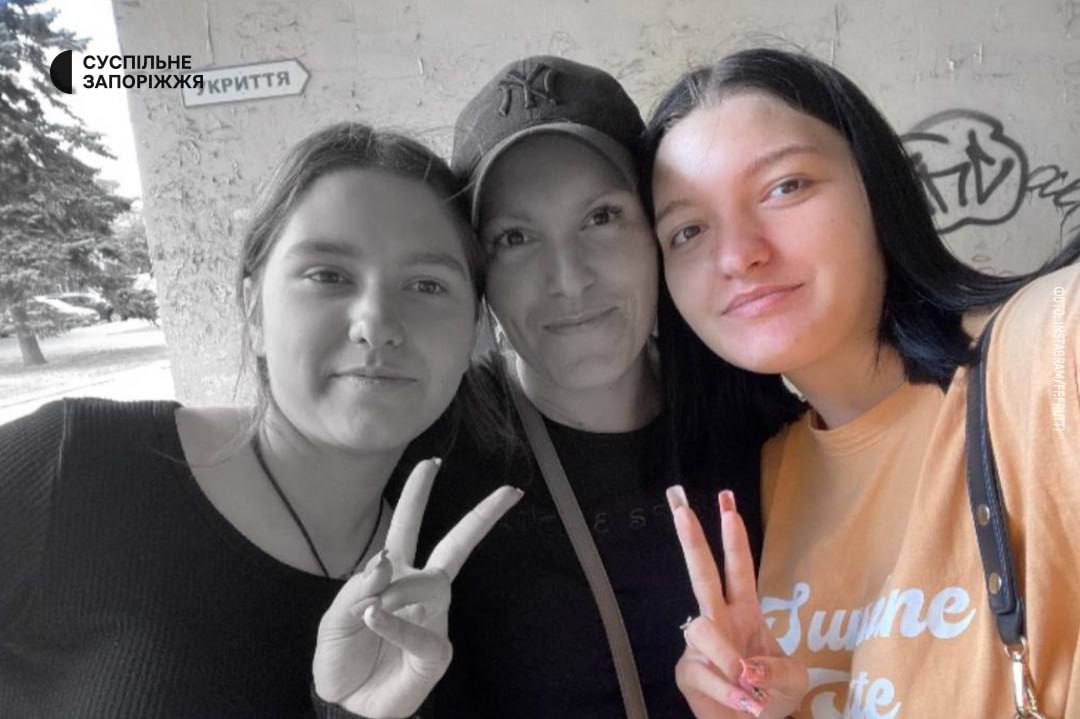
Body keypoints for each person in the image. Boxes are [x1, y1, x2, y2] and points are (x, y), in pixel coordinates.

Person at [0, 122, 520, 718]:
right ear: (254, 310)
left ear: (475, 331)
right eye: (328, 276)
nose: (376, 323)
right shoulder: (79, 467)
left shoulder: (460, 561)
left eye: (427, 284)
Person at [644, 48, 1080, 717]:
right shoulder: (770, 472)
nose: (737, 255)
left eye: (785, 186)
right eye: (688, 230)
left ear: (877, 186)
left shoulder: (1046, 354)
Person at [399, 55, 789, 719]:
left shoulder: (758, 414)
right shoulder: (435, 458)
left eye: (602, 217)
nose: (569, 278)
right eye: (515, 236)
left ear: (657, 228)